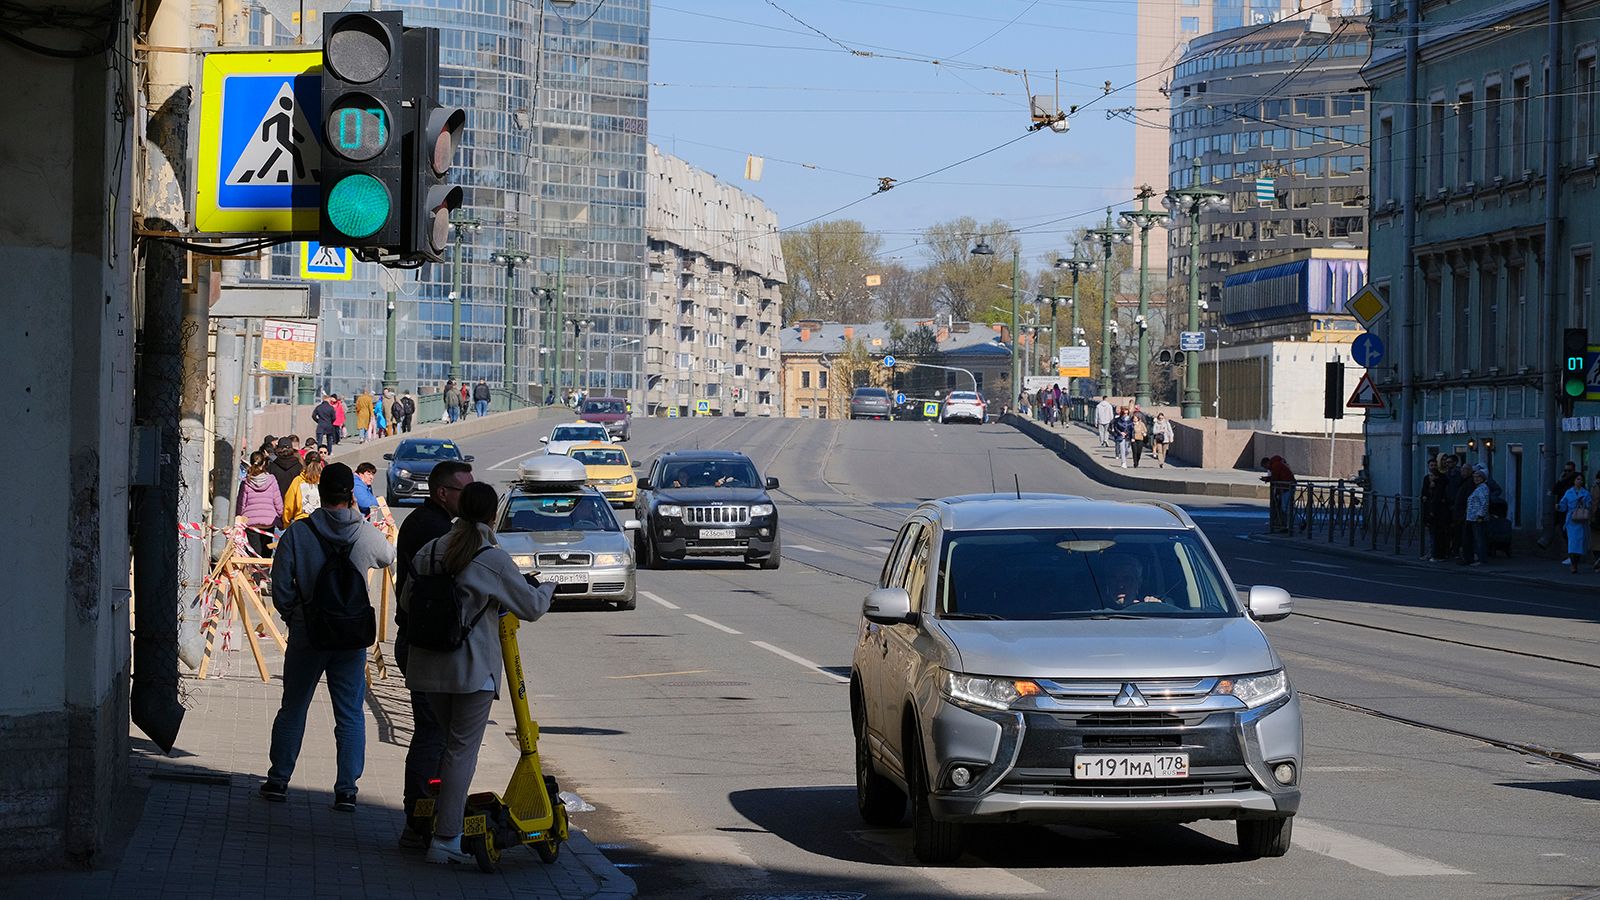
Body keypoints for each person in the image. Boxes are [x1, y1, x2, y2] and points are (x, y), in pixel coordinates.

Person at [403, 481, 554, 866]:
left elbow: (407, 602)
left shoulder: (430, 551)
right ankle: (446, 838)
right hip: (471, 671)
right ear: (492, 515)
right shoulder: (491, 557)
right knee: (460, 752)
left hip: (426, 667)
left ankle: (429, 823)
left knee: (444, 745)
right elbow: (531, 608)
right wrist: (548, 587)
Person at [261, 463, 397, 810]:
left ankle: (278, 780)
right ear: (350, 495)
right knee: (350, 712)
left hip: (308, 632)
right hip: (350, 636)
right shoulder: (363, 533)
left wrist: (295, 616)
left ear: (319, 493)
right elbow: (387, 556)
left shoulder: (299, 533)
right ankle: (347, 789)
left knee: (293, 707)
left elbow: (280, 584)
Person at [393, 459, 474, 849]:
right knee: (432, 734)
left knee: (435, 734)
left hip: (420, 641)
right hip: (425, 645)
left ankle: (423, 817)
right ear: (443, 493)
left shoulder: (427, 523)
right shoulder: (436, 531)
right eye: (464, 491)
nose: (469, 498)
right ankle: (418, 820)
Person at [237, 451, 284, 558]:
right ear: (264, 464)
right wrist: (281, 518)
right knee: (267, 549)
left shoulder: (246, 482)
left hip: (251, 522)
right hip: (269, 521)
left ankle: (255, 574)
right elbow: (277, 501)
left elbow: (241, 503)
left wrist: (239, 517)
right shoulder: (272, 480)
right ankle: (265, 573)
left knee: (253, 551)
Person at [1557, 473, 1593, 574]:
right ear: (1574, 481)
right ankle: (1573, 565)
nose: (1579, 481)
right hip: (1571, 521)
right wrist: (1559, 507)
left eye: (1581, 479)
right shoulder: (1569, 493)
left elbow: (1589, 505)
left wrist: (1584, 503)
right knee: (1572, 543)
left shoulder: (1586, 493)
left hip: (1581, 521)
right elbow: (1563, 506)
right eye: (1578, 479)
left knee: (1579, 543)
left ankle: (1576, 561)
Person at [282, 452, 324, 527]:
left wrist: (286, 522)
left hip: (302, 522)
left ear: (304, 463)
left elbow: (289, 504)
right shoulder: (325, 480)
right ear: (320, 463)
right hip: (321, 522)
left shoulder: (298, 481)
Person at [1461, 467, 1490, 567]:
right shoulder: (1477, 488)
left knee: (1479, 539)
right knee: (1475, 539)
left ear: (1483, 478)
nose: (1476, 479)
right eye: (1475, 477)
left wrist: (1480, 515)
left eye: (1478, 477)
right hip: (1472, 517)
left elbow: (1484, 503)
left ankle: (1482, 559)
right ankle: (1477, 557)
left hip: (1477, 518)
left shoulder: (1483, 488)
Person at [1260, 455, 1296, 530]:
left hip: (1287, 487)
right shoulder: (1276, 464)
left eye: (1265, 467)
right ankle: (1287, 525)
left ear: (1267, 463)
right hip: (1287, 486)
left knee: (1286, 507)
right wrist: (1267, 479)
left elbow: (1275, 478)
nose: (1267, 469)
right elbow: (1275, 477)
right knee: (1286, 506)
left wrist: (1267, 479)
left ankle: (1288, 526)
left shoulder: (1275, 465)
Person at [1419, 456, 1440, 561]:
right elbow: (1423, 492)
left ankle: (1434, 553)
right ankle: (1430, 552)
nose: (1433, 467)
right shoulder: (1426, 478)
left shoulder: (1440, 478)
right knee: (1430, 532)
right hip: (1428, 508)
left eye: (1435, 465)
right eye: (1431, 465)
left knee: (1435, 533)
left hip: (1436, 510)